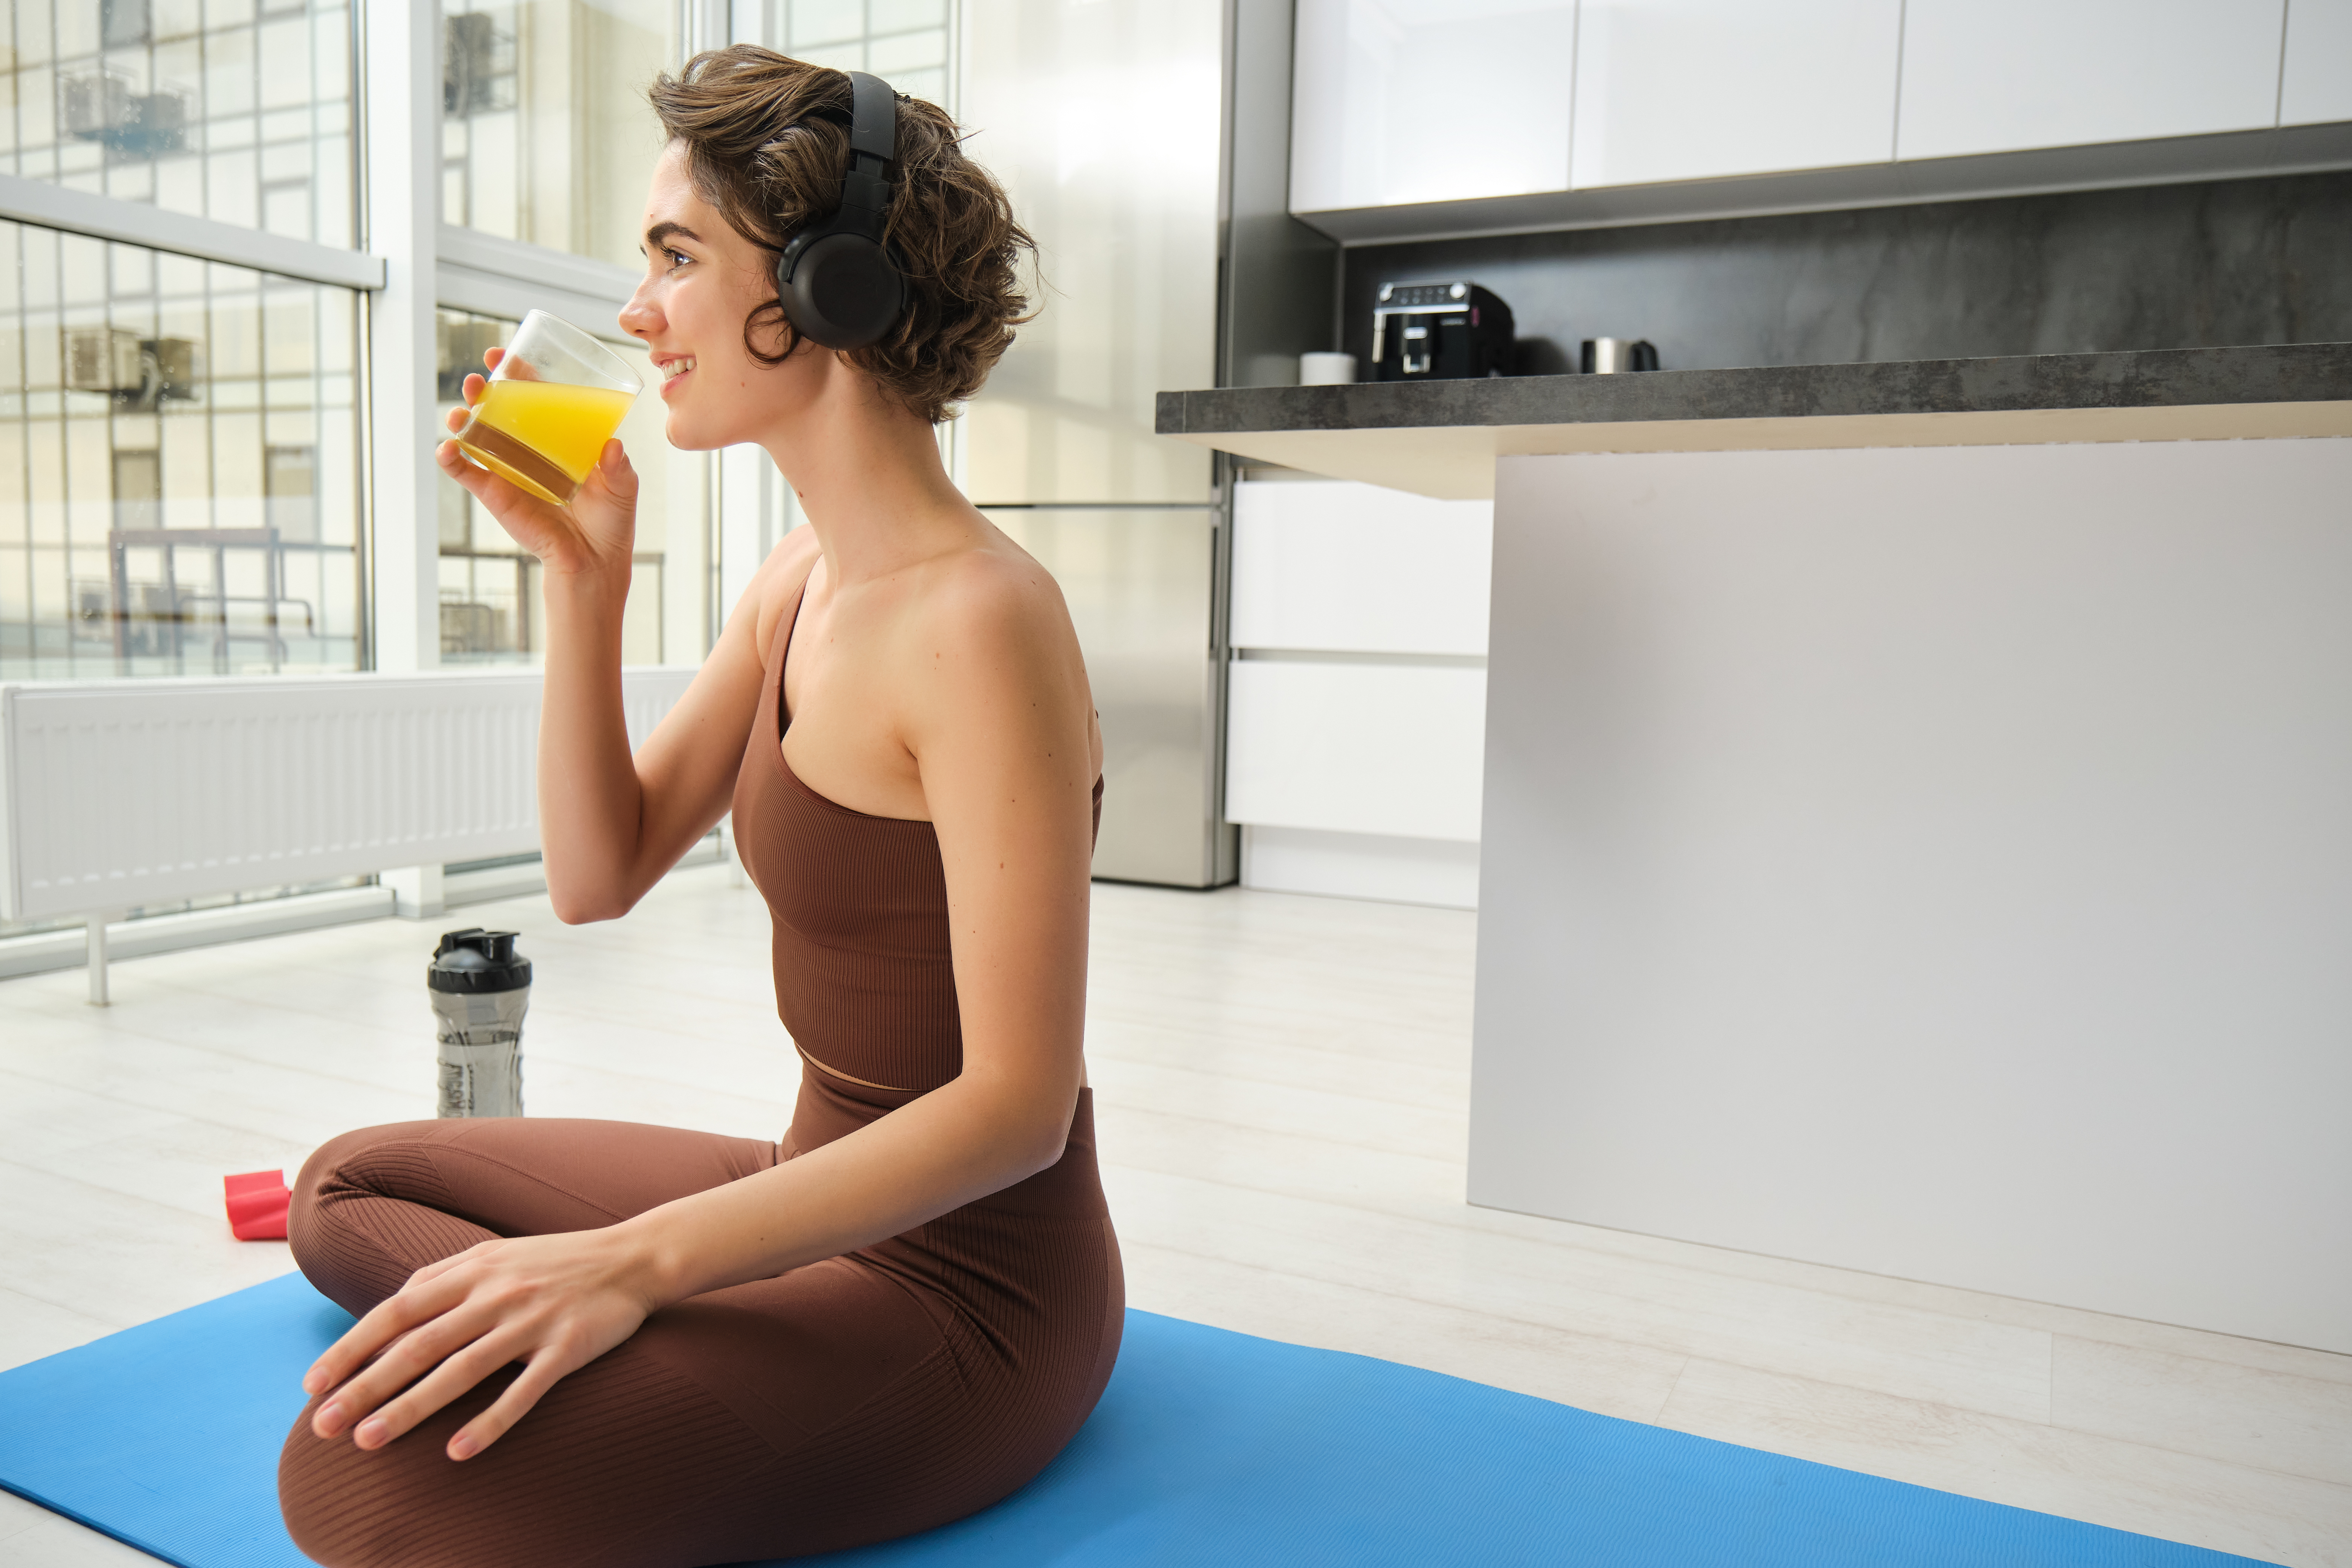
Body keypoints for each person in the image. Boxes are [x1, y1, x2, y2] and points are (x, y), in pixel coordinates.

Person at [276, 47, 1119, 1568]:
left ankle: (697, 1313)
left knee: (357, 1494)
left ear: (824, 287)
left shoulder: (982, 619)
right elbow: (598, 874)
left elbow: (1017, 1105)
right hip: (806, 1182)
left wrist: (633, 1264)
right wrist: (581, 582)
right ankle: (702, 1305)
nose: (636, 312)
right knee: (343, 1188)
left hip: (971, 1284)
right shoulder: (797, 581)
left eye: (675, 258)